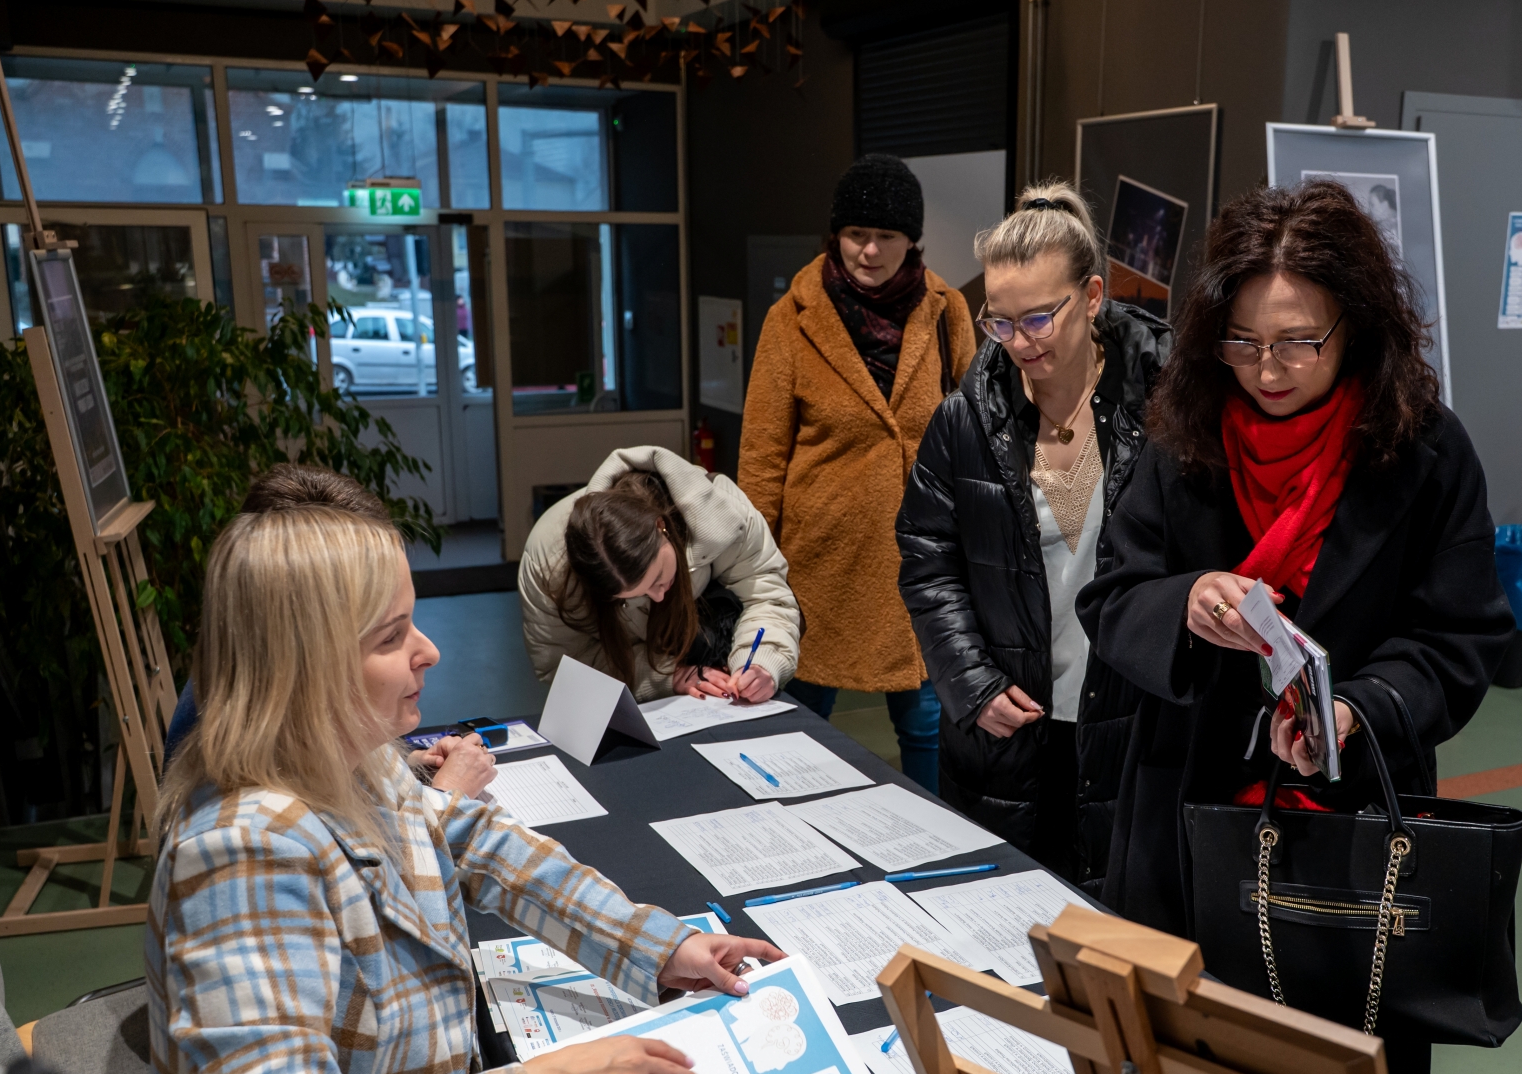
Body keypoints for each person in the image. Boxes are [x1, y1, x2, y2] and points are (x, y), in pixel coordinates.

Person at [148, 504, 784, 1074]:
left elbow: (476, 841)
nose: (430, 650)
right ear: (306, 666)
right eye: (392, 637)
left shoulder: (345, 754)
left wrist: (660, 944)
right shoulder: (244, 857)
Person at [1076, 180, 1514, 1074]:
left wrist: (1354, 709)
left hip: (1346, 825)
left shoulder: (1426, 451)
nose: (1266, 368)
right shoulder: (1185, 434)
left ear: (1356, 327)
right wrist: (1185, 602)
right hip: (1186, 807)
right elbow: (1112, 597)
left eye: (1297, 342)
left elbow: (1461, 636)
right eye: (1241, 340)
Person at [896, 183, 1166, 882]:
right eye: (1001, 323)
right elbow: (927, 563)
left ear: (1094, 295)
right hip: (1007, 735)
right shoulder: (963, 421)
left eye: (1040, 318)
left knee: (1118, 921)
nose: (1021, 342)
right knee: (1006, 916)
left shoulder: (1162, 411)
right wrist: (971, 683)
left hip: (1131, 727)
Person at [738, 153, 976, 793]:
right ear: (835, 235)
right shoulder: (793, 316)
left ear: (912, 240)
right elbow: (762, 454)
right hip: (818, 561)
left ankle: (931, 831)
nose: (869, 251)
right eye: (856, 234)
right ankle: (784, 830)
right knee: (797, 717)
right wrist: (754, 570)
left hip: (921, 554)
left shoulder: (946, 310)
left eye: (887, 236)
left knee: (926, 720)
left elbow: (975, 432)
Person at [161, 462, 492, 797]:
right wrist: (449, 794)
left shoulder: (253, 700)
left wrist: (408, 764)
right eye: (390, 635)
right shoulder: (253, 816)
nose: (432, 653)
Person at [520, 445, 800, 701]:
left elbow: (766, 597)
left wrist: (763, 663)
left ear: (660, 526)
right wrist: (665, 678)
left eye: (657, 578)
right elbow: (564, 668)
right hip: (641, 700)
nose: (657, 596)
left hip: (721, 666)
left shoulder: (725, 513)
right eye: (628, 597)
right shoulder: (549, 562)